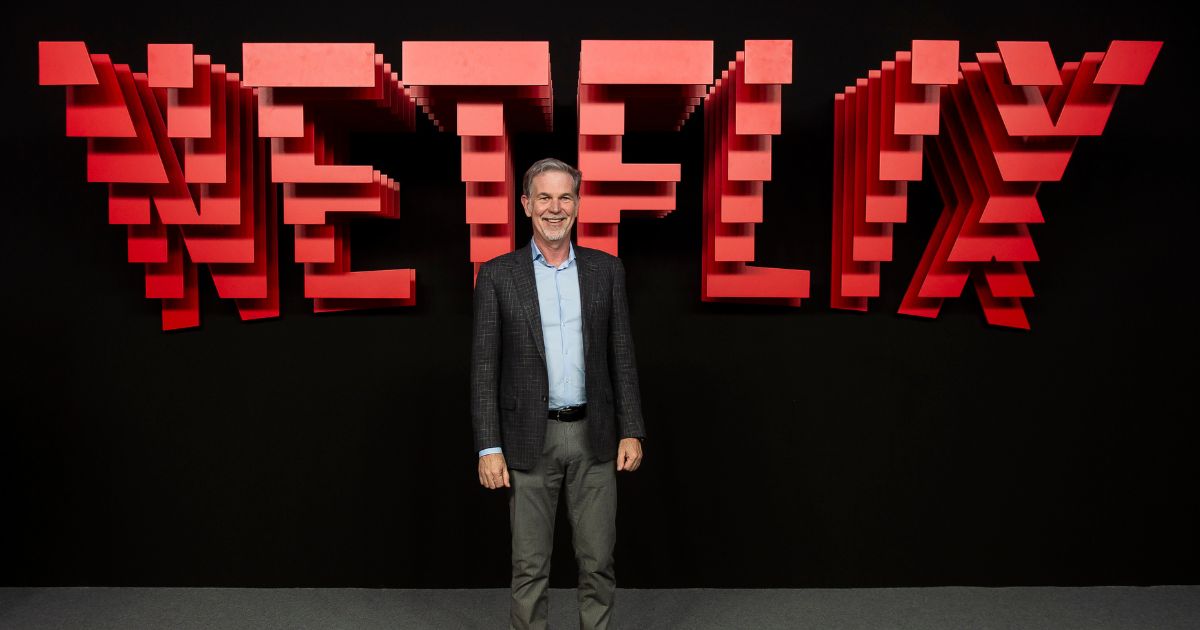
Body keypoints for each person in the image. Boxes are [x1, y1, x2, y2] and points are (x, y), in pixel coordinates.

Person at [471, 157, 647, 630]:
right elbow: (485, 368)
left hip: (596, 437)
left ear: (577, 204)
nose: (555, 207)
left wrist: (632, 430)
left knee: (597, 565)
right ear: (526, 204)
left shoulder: (606, 271)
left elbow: (622, 357)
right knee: (529, 569)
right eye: (544, 197)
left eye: (565, 197)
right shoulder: (497, 275)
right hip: (529, 440)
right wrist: (489, 447)